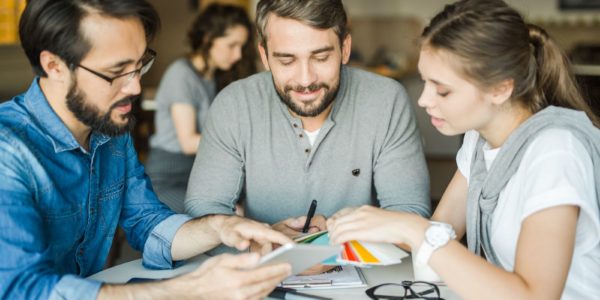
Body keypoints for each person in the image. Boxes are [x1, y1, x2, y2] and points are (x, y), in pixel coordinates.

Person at [0, 1, 292, 299]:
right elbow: (23, 290)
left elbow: (147, 221)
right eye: (117, 71)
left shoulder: (110, 131)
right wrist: (190, 289)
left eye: (140, 65)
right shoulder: (6, 152)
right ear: (55, 66)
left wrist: (220, 227)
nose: (136, 87)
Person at [327, 0, 600, 299]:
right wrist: (361, 224)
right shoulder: (479, 143)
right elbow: (441, 233)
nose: (424, 99)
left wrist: (413, 228)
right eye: (425, 82)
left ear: (500, 88)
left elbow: (534, 296)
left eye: (442, 89)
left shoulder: (554, 152)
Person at [185, 0, 430, 242]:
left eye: (321, 57)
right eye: (286, 60)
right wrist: (264, 243)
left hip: (368, 275)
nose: (305, 79)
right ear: (264, 55)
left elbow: (411, 213)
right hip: (258, 270)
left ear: (345, 48)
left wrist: (335, 237)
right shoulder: (233, 105)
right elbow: (203, 212)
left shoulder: (386, 100)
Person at [146, 3, 256, 213]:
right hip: (167, 178)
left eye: (241, 47)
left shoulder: (214, 79)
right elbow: (188, 142)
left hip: (196, 174)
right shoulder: (181, 74)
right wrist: (245, 145)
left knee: (251, 203)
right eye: (232, 45)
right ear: (208, 38)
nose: (239, 55)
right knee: (229, 214)